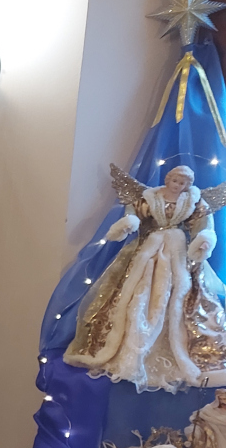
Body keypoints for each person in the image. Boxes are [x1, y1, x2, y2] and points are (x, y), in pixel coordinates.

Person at [66, 163, 226, 392]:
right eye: (175, 181)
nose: (178, 185)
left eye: (183, 183)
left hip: (179, 254)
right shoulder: (151, 197)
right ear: (168, 179)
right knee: (135, 293)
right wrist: (129, 222)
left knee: (182, 294)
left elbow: (203, 223)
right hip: (150, 251)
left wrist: (204, 239)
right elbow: (134, 212)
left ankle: (182, 351)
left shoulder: (194, 201)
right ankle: (129, 348)